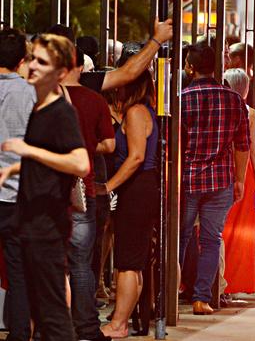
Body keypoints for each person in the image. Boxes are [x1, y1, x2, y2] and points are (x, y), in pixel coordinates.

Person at [0, 33, 89, 340]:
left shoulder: (60, 112)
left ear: (61, 72)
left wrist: (28, 151)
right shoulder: (38, 107)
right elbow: (48, 159)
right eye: (32, 58)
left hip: (47, 227)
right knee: (41, 310)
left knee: (53, 317)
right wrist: (16, 166)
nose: (33, 66)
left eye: (42, 61)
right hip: (30, 220)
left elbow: (81, 163)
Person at [179, 44, 250, 315]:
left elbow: (175, 143)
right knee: (211, 239)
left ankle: (176, 290)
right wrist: (240, 179)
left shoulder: (182, 98)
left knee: (181, 237)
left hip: (187, 180)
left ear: (191, 67)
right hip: (221, 180)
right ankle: (201, 298)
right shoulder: (233, 99)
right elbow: (243, 144)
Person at [98, 68, 159, 338]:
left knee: (127, 261)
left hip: (137, 189)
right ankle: (122, 321)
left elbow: (136, 157)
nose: (117, 88)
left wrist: (109, 186)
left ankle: (119, 324)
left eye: (122, 84)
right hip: (141, 190)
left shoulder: (136, 113)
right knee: (133, 261)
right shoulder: (142, 111)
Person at [60, 47, 115, 341]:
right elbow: (109, 145)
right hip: (82, 188)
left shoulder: (44, 98)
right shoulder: (94, 100)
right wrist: (85, 145)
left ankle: (53, 327)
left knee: (53, 263)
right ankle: (86, 328)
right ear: (81, 67)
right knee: (81, 264)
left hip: (48, 192)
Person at [0, 28, 36, 341]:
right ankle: (20, 332)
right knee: (18, 267)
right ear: (21, 60)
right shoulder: (30, 93)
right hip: (16, 194)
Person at [221, 68, 255, 298]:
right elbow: (254, 151)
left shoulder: (220, 107)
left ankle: (217, 279)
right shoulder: (250, 113)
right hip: (243, 171)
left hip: (222, 167)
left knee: (220, 228)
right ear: (245, 89)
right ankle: (235, 280)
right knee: (241, 231)